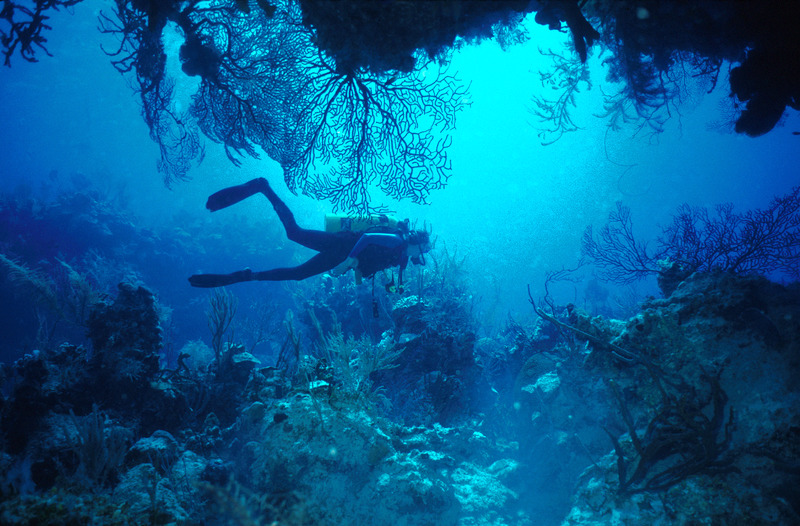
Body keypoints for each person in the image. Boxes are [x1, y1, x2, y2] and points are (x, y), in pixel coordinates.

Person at [188, 178, 432, 289]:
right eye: (424, 250)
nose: (421, 257)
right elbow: (367, 239)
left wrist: (355, 273)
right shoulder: (397, 239)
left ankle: (247, 276)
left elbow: (369, 262)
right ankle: (263, 188)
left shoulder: (401, 258)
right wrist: (347, 262)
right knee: (295, 246)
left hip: (341, 254)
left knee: (296, 251)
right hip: (341, 247)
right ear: (417, 243)